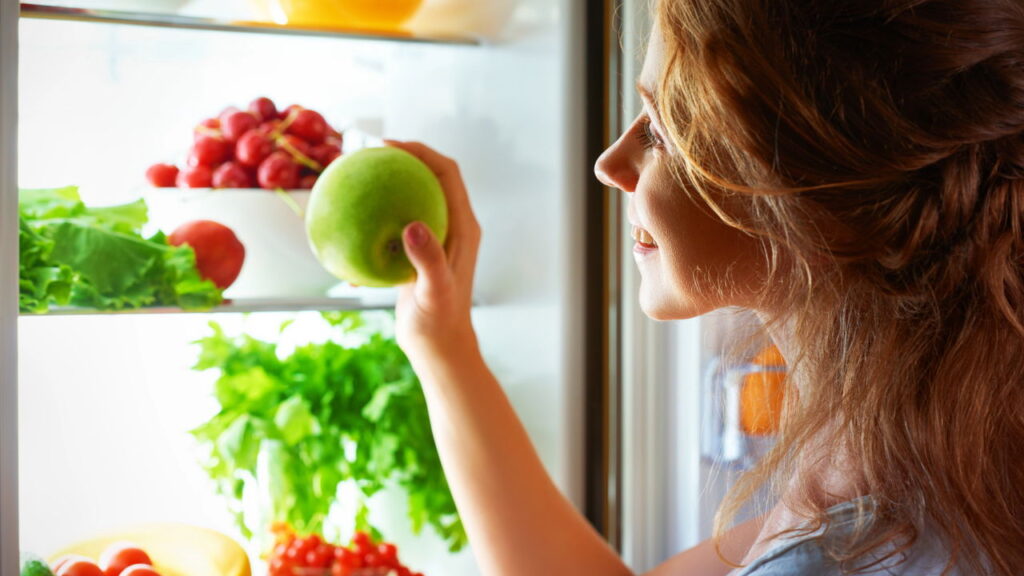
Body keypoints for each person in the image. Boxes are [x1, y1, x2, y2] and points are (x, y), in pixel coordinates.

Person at [384, 0, 1024, 573]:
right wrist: (445, 347)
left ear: (808, 181)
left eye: (661, 130)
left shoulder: (851, 540)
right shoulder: (930, 454)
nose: (611, 164)